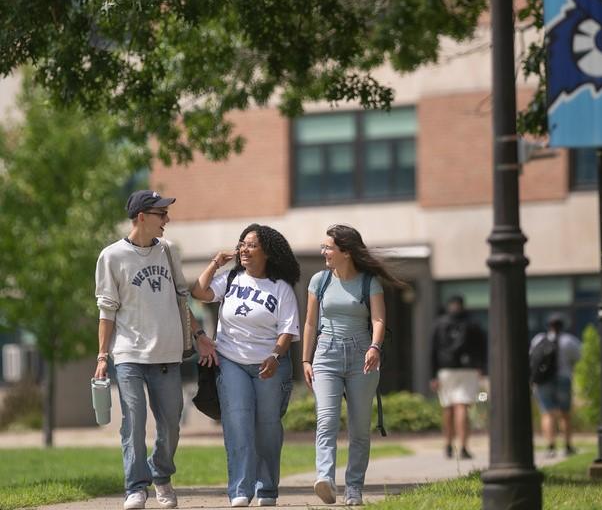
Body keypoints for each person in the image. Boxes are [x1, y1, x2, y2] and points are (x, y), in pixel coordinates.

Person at [95, 190, 216, 510]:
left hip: (167, 354)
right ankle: (135, 487)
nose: (167, 220)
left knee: (171, 425)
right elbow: (106, 311)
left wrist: (200, 334)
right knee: (133, 421)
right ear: (142, 217)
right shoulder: (112, 257)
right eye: (161, 214)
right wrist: (103, 356)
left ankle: (161, 475)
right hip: (129, 355)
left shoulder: (169, 251)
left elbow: (181, 299)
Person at [191, 223, 300, 508]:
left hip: (269, 365)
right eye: (242, 244)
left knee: (267, 427)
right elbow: (199, 292)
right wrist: (216, 262)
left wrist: (276, 356)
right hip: (231, 362)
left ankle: (266, 490)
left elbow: (287, 330)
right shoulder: (230, 279)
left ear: (268, 251)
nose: (244, 249)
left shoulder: (281, 289)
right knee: (237, 423)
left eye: (251, 245)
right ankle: (240, 489)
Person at [302, 224, 404, 507]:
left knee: (359, 428)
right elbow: (310, 322)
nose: (324, 252)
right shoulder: (319, 281)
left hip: (362, 355)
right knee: (327, 419)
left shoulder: (369, 282)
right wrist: (306, 359)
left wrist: (375, 346)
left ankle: (354, 487)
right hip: (326, 354)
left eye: (328, 248)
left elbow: (379, 320)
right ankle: (325, 478)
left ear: (345, 252)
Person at [429, 295, 487, 460]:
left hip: (445, 370)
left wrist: (432, 375)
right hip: (467, 370)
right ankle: (463, 447)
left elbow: (432, 350)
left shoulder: (439, 324)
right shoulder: (472, 323)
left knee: (447, 407)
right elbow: (482, 346)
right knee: (462, 406)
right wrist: (481, 367)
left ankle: (447, 443)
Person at [530, 313, 582, 457]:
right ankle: (567, 446)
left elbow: (532, 359)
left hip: (543, 382)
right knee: (565, 414)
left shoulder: (538, 339)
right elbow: (579, 358)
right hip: (563, 379)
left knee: (547, 413)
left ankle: (550, 446)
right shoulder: (569, 341)